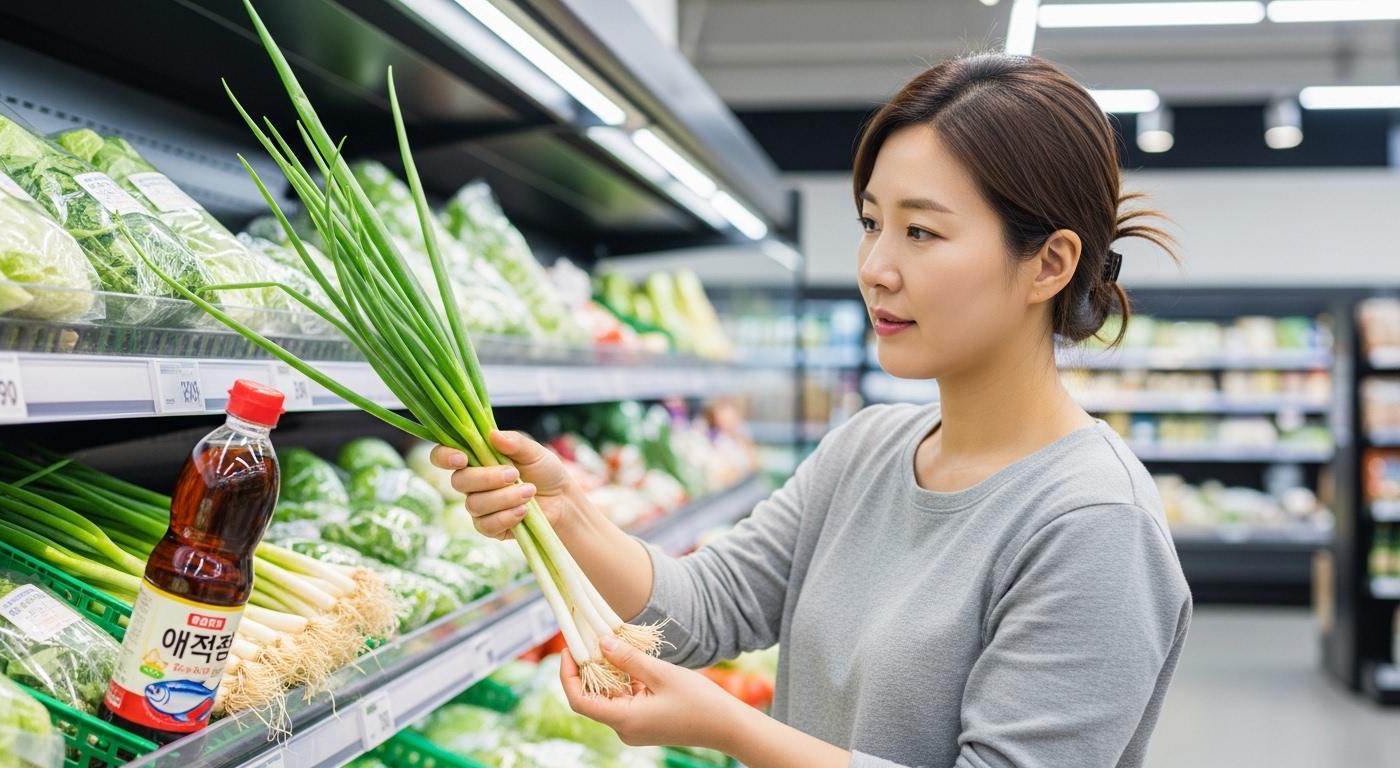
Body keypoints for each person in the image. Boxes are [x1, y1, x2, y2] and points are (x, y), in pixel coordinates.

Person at [433, 53, 1191, 768]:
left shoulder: (1093, 523)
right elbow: (704, 609)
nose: (874, 268)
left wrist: (734, 730)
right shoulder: (866, 449)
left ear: (1049, 264)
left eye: (920, 231)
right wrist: (567, 511)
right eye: (871, 224)